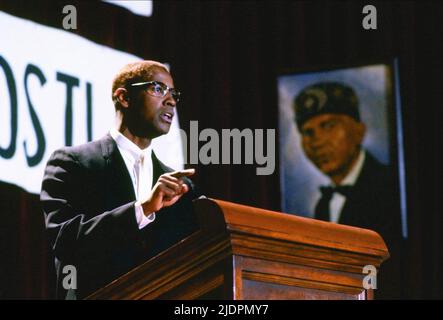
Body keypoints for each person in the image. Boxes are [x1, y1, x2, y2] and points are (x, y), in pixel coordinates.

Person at [40, 60, 201, 299]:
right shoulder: (72, 163)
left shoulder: (178, 187)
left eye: (173, 93)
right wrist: (142, 209)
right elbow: (67, 243)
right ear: (124, 98)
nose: (171, 100)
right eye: (158, 89)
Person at [293, 81, 403, 298]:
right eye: (308, 132)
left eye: (328, 125)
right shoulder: (323, 204)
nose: (317, 142)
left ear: (359, 131)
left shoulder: (392, 189)